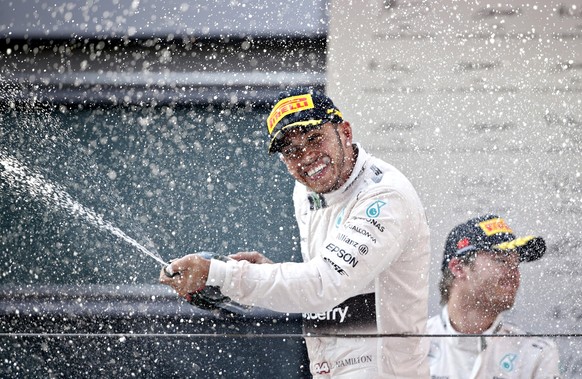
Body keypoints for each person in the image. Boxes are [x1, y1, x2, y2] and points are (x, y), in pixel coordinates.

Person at [160, 88, 431, 378]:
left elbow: (323, 284)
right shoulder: (306, 191)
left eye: (315, 138)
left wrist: (220, 275)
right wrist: (268, 274)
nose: (306, 156)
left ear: (346, 132)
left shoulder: (385, 197)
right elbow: (326, 282)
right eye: (291, 151)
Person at [428, 214, 561, 379]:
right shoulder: (409, 345)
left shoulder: (535, 354)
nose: (515, 274)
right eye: (502, 261)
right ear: (458, 268)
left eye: (516, 264)